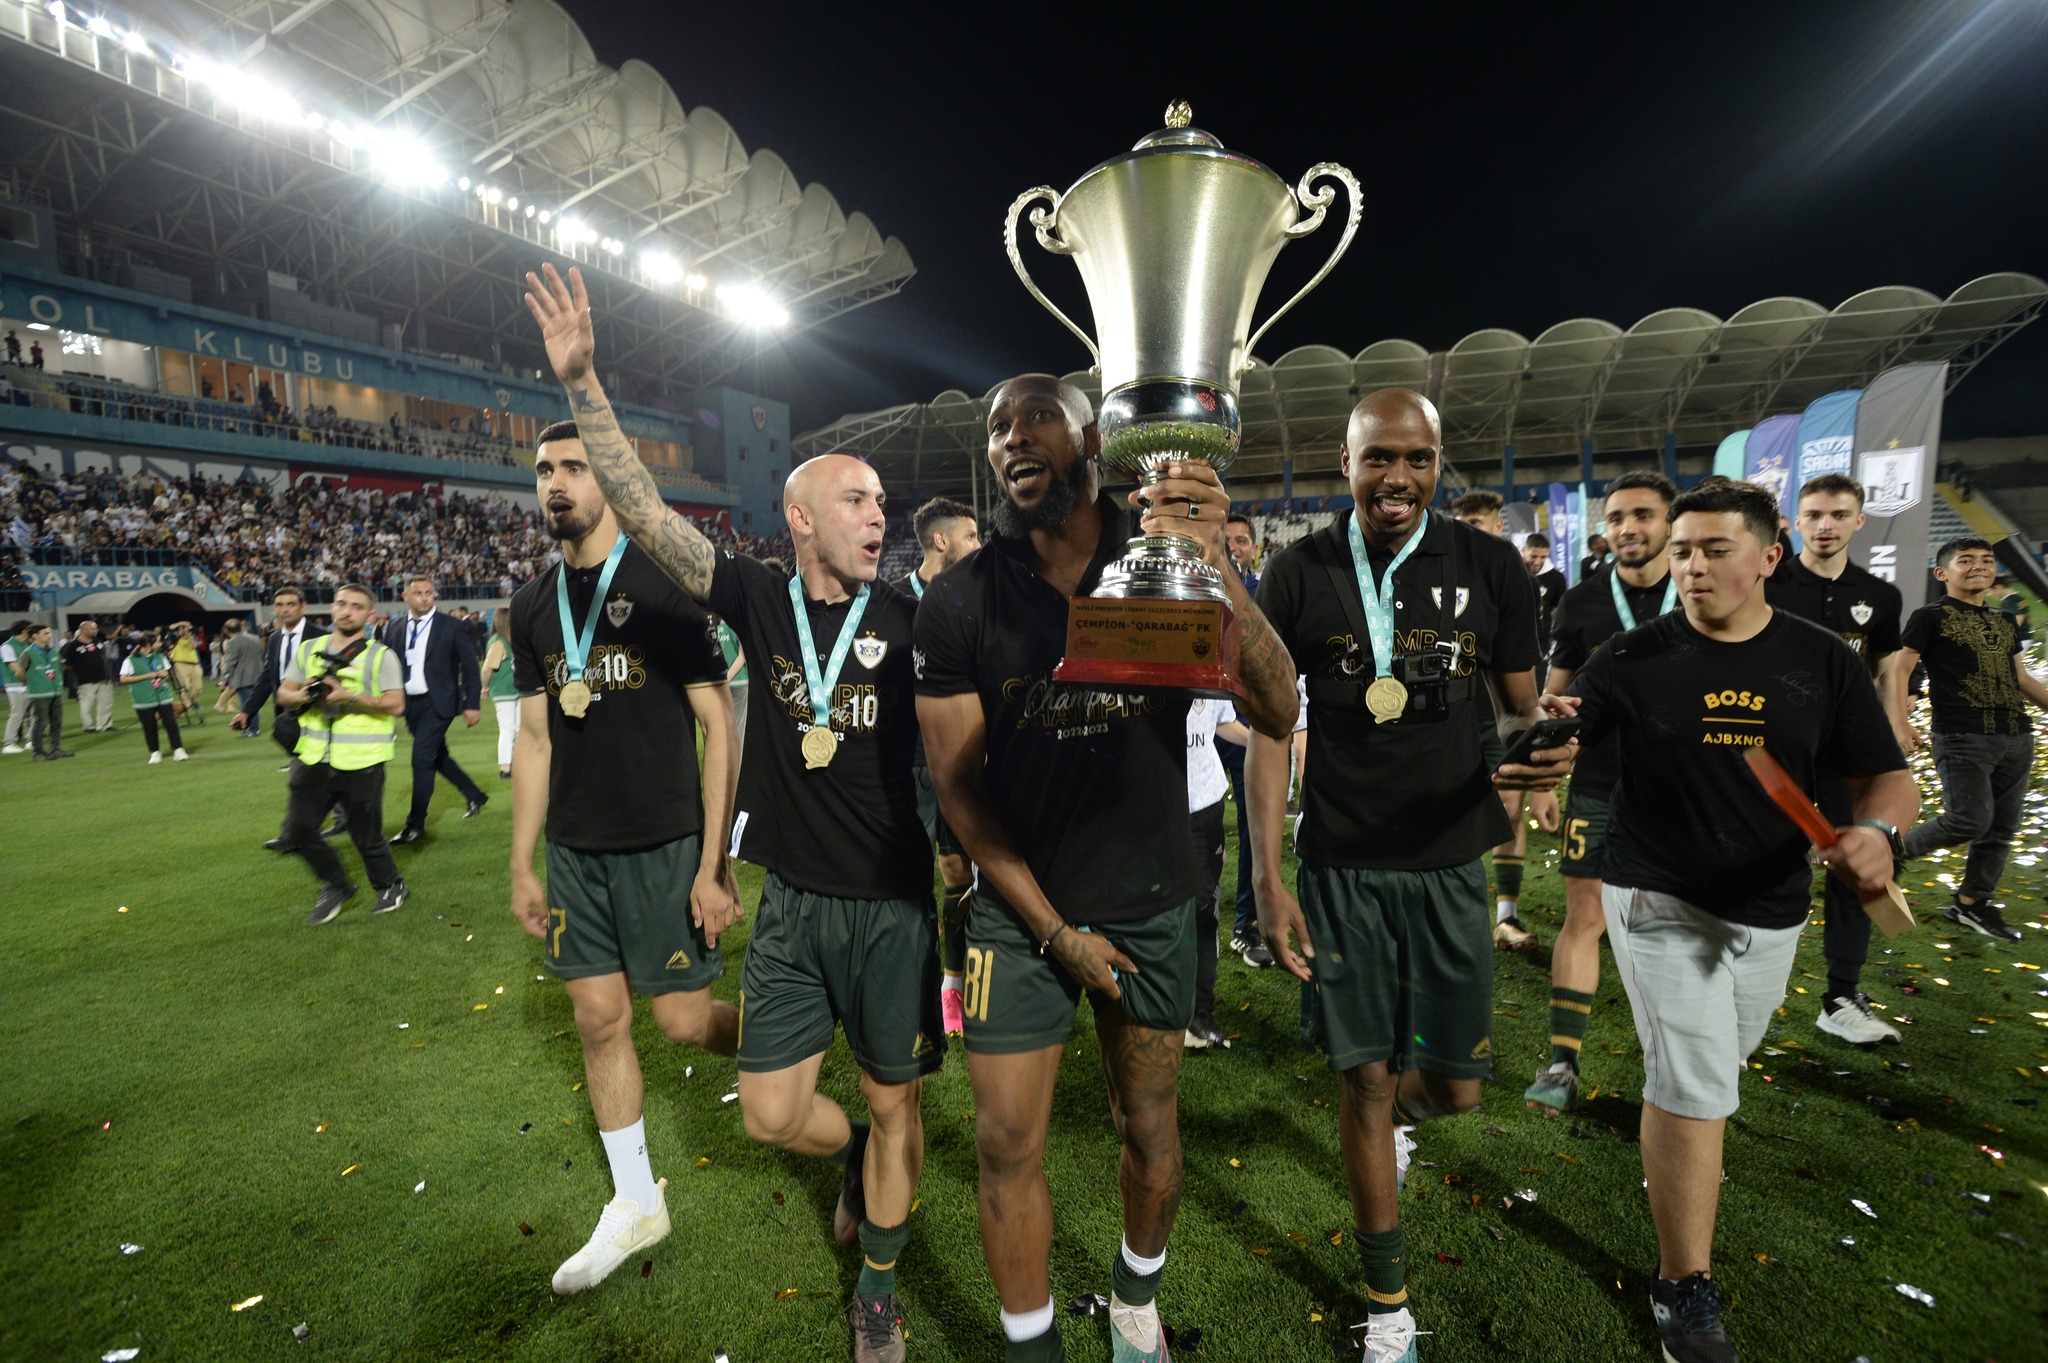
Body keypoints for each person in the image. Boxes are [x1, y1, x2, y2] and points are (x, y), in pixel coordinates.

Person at [526, 261, 936, 1363]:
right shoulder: (757, 597)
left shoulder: (911, 619)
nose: (877, 515)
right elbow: (647, 515)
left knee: (898, 1105)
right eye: (855, 500)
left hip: (891, 906)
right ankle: (850, 1161)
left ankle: (880, 1290)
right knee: (769, 1113)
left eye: (881, 503)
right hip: (793, 907)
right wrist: (584, 384)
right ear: (799, 517)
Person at [917, 373, 1299, 1363]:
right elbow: (957, 789)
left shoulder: (1161, 559)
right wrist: (1051, 930)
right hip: (1021, 911)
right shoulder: (959, 599)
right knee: (1003, 1141)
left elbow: (1276, 708)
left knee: (1150, 1128)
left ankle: (1134, 1307)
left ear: (1093, 442)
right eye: (997, 424)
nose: (1013, 436)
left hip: (1151, 898)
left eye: (1037, 416)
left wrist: (1216, 565)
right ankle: (1031, 1347)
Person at [1555, 477, 1916, 1363]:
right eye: (1682, 550)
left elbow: (1887, 778)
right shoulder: (1631, 655)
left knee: (1721, 1065)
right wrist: (1541, 746)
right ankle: (1683, 1284)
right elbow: (1566, 732)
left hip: (1772, 908)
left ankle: (1680, 1145)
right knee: (1695, 1082)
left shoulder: (1822, 659)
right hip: (1655, 895)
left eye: (1715, 550)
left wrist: (1877, 833)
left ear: (1768, 558)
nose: (1692, 566)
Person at [1250, 389, 1562, 1363]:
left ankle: (1399, 1118)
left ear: (1437, 463)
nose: (1397, 478)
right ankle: (1387, 1304)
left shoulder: (1489, 566)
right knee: (1365, 1080)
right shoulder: (1297, 571)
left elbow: (1519, 706)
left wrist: (1542, 749)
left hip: (1449, 859)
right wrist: (1266, 877)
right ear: (1342, 464)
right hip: (1342, 864)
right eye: (1377, 458)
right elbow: (1269, 729)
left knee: (1456, 1087)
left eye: (1417, 458)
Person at [505, 420, 744, 1299]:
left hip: (663, 845)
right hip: (575, 852)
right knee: (598, 1019)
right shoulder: (530, 604)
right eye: (544, 469)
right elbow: (536, 737)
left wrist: (713, 863)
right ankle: (637, 1199)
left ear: (607, 480)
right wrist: (522, 861)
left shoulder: (665, 586)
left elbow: (719, 723)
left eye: (573, 466)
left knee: (685, 1021)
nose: (555, 483)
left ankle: (787, 1044)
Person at [1523, 470, 1680, 1113]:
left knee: (1675, 926)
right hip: (1598, 783)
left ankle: (1675, 1066)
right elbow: (1555, 696)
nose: (1628, 528)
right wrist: (1542, 778)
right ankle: (1562, 1062)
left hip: (1685, 790)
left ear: (1670, 523)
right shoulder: (1582, 601)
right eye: (1616, 518)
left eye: (1643, 515)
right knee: (1584, 917)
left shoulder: (1700, 588)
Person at [1765, 474, 1907, 1043]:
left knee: (1856, 863)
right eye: (1816, 514)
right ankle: (1743, 991)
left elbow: (1886, 671)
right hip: (1772, 751)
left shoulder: (1880, 595)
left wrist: (1893, 730)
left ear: (1858, 521)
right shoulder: (1767, 582)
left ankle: (1842, 996)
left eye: (1839, 515)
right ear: (1796, 521)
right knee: (1761, 860)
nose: (1826, 525)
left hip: (1844, 755)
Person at [1894, 537, 2048, 942]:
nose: (1979, 566)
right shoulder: (1929, 617)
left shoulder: (2004, 620)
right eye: (1966, 560)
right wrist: (1900, 723)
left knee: (2001, 828)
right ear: (1942, 573)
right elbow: (1900, 668)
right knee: (1968, 820)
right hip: (1963, 734)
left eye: (1987, 560)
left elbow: (2021, 678)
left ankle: (1971, 903)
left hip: (2016, 735)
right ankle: (1884, 856)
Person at [1451, 496, 1558, 950]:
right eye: (1462, 523)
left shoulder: (1512, 577)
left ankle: (1506, 917)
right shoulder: (1434, 574)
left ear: (1498, 526)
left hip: (1500, 714)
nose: (1468, 531)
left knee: (1509, 808)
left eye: (1477, 523)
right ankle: (1454, 907)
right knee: (1453, 815)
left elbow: (1524, 658)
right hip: (1451, 714)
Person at [273, 582, 409, 925]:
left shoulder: (381, 656)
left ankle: (391, 885)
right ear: (332, 607)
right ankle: (336, 884)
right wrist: (307, 694)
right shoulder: (308, 649)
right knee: (297, 832)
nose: (347, 611)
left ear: (370, 615)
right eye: (341, 604)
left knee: (366, 837)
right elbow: (283, 695)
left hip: (362, 761)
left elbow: (396, 705)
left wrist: (348, 696)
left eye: (356, 606)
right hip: (313, 758)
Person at [903, 495, 983, 1035]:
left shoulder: (973, 601)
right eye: (970, 536)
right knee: (907, 878)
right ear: (941, 540)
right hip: (907, 766)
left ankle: (952, 985)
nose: (977, 545)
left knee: (957, 875)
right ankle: (909, 974)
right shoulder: (892, 602)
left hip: (957, 761)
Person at [382, 574, 487, 844]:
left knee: (421, 758)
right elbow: (388, 666)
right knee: (437, 756)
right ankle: (474, 794)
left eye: (429, 592)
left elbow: (470, 667)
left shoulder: (452, 626)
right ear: (405, 596)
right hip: (409, 704)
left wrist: (472, 704)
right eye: (418, 593)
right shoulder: (394, 627)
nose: (425, 597)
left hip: (438, 703)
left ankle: (415, 825)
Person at [1220, 512, 1274, 968]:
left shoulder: (1265, 594)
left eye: (1241, 540)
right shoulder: (1196, 585)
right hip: (1197, 724)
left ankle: (1246, 925)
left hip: (1243, 726)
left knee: (1254, 827)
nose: (1234, 547)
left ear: (1253, 548)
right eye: (1227, 540)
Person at [1182, 696, 1245, 1049]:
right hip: (1150, 803)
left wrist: (1262, 739)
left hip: (1204, 802)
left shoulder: (1212, 666)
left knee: (1204, 908)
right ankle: (1148, 1008)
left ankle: (1199, 1015)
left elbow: (1219, 721)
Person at [120, 630, 187, 763]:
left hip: (162, 695)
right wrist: (147, 676)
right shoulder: (130, 660)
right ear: (148, 644)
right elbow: (123, 679)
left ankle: (178, 750)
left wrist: (165, 675)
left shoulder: (160, 656)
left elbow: (168, 676)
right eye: (158, 641)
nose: (161, 644)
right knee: (150, 727)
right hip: (143, 698)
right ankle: (155, 753)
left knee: (171, 724)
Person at [19, 622, 71, 759]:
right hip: (39, 694)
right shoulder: (28, 653)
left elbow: (60, 667)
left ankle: (55, 749)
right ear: (35, 636)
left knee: (57, 722)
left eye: (50, 633)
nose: (50, 636)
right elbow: (19, 673)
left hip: (56, 691)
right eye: (46, 633)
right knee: (40, 723)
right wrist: (33, 683)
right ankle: (38, 752)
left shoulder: (53, 650)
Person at [480, 608, 518, 779]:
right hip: (504, 691)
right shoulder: (498, 642)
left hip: (515, 690)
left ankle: (515, 763)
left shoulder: (509, 640)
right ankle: (505, 767)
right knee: (508, 729)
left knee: (517, 729)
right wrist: (485, 687)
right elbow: (487, 668)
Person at [61, 619, 115, 733]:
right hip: (85, 680)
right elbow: (66, 664)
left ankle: (105, 725)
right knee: (87, 705)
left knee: (105, 703)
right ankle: (89, 726)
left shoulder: (97, 641)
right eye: (93, 628)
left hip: (103, 678)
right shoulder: (72, 645)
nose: (96, 630)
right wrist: (81, 670)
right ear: (84, 630)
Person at [218, 619, 266, 735]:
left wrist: (224, 680)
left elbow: (230, 663)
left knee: (247, 705)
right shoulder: (255, 637)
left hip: (243, 678)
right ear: (241, 627)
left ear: (226, 630)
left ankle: (252, 730)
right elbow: (261, 654)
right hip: (258, 675)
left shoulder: (233, 642)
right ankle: (252, 729)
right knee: (253, 703)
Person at [1, 620, 27, 753]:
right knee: (17, 714)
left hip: (27, 684)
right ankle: (9, 743)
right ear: (24, 631)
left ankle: (31, 740)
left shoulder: (26, 645)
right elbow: (16, 669)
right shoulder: (7, 646)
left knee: (32, 714)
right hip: (15, 686)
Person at [166, 623, 203, 715]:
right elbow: (170, 627)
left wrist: (188, 635)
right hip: (180, 664)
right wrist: (181, 624)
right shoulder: (175, 639)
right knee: (184, 686)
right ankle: (187, 705)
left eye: (186, 629)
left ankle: (194, 701)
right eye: (181, 629)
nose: (184, 631)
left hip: (194, 664)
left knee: (198, 686)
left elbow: (195, 646)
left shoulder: (192, 637)